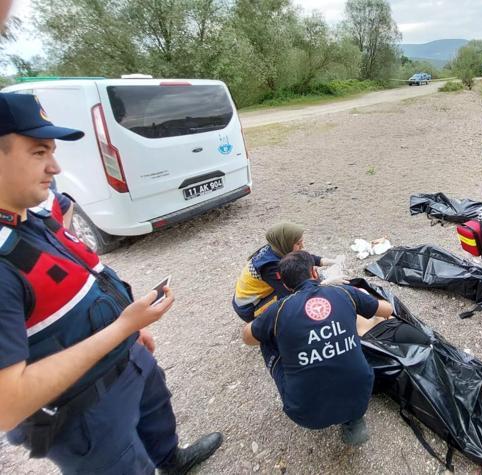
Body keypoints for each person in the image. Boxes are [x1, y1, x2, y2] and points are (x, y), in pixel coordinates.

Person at [0, 93, 222, 473]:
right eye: (38, 152)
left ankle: (172, 462)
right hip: (83, 410)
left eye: (52, 151)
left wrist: (128, 336)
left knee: (157, 422)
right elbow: (9, 404)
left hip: (126, 358)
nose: (54, 167)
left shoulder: (29, 215)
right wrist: (123, 327)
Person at [242, 251, 394, 445]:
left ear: (286, 285)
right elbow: (388, 309)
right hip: (360, 396)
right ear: (314, 273)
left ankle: (309, 389)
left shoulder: (278, 310)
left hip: (306, 414)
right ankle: (353, 420)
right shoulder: (343, 292)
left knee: (264, 336)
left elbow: (247, 338)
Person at [232, 222, 342, 322]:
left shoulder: (277, 248)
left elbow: (299, 257)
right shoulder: (269, 266)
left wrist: (325, 261)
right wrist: (327, 283)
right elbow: (292, 292)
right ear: (286, 243)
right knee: (292, 303)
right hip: (249, 308)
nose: (302, 246)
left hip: (262, 295)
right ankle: (267, 323)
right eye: (299, 243)